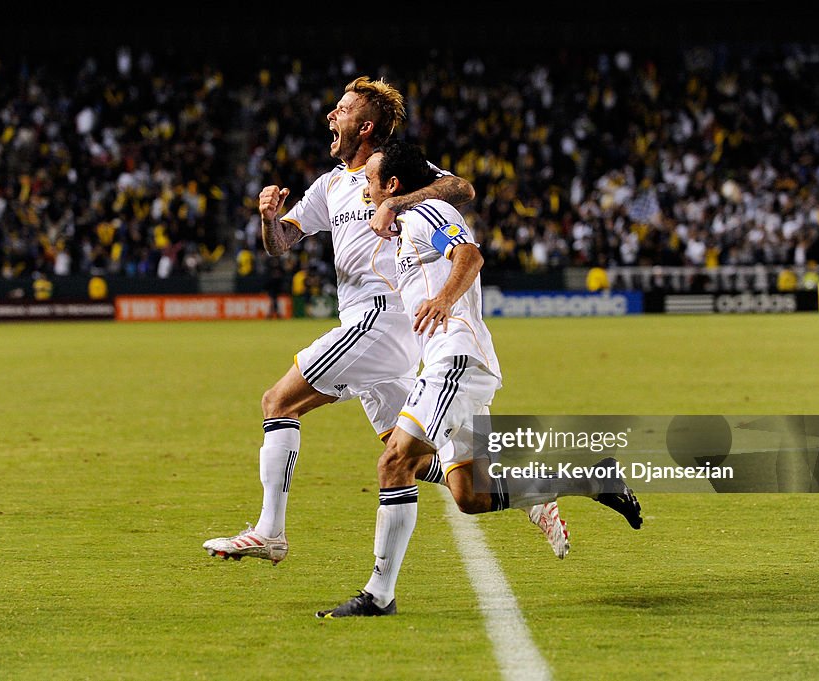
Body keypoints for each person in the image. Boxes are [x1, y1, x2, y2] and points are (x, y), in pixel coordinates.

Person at [203, 77, 570, 565]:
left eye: (342, 109)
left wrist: (396, 201)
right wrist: (270, 220)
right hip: (372, 328)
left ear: (367, 125)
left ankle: (271, 531)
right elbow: (284, 242)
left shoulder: (392, 170)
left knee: (278, 402)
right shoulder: (331, 184)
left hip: (386, 318)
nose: (331, 116)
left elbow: (462, 187)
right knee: (415, 458)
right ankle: (533, 491)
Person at [316, 142, 643, 618]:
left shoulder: (429, 211)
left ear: (392, 184)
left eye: (370, 181)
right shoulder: (409, 223)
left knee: (395, 462)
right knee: (469, 495)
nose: (364, 190)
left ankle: (378, 595)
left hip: (455, 359)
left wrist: (444, 299)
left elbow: (469, 256)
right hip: (451, 364)